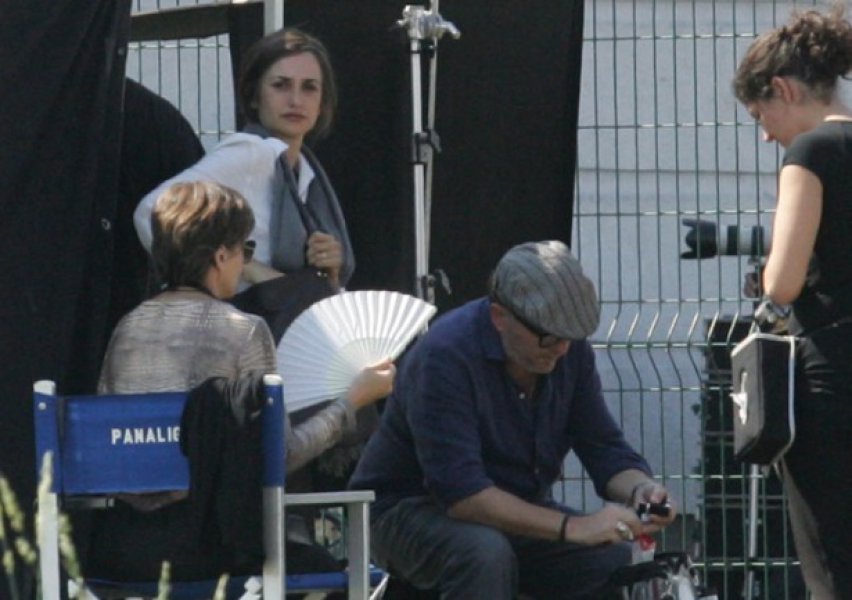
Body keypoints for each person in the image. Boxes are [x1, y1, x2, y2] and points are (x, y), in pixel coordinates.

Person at [88, 180, 394, 581]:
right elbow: (278, 457)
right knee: (331, 569)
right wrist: (351, 403)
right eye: (244, 251)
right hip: (211, 549)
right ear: (220, 256)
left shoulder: (127, 328)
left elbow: (108, 450)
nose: (244, 264)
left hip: (124, 548)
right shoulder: (244, 331)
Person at [349, 240, 677, 600]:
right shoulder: (444, 357)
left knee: (613, 562)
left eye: (571, 335)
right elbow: (462, 495)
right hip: (407, 510)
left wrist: (642, 490)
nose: (562, 349)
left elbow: (602, 446)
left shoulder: (569, 350)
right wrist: (574, 527)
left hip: (510, 506)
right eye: (548, 336)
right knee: (484, 555)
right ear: (499, 317)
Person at [732, 7, 852, 598]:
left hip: (833, 371)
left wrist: (772, 273)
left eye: (760, 115)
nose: (765, 134)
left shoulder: (812, 150)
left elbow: (782, 282)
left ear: (782, 88)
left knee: (831, 562)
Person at [133, 28, 353, 290]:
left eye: (309, 87)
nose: (296, 100)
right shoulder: (251, 152)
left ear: (322, 102)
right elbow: (150, 213)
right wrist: (245, 267)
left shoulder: (305, 170)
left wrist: (328, 270)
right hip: (237, 314)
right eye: (280, 85)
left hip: (288, 316)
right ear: (254, 96)